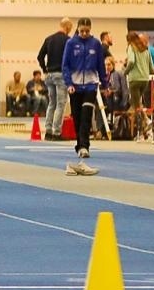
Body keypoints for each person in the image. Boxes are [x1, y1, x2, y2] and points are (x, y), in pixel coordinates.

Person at [61, 17, 105, 175]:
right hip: (75, 85)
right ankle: (79, 145)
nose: (85, 34)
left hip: (91, 85)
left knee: (87, 116)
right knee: (77, 118)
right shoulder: (71, 43)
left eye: (87, 31)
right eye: (82, 31)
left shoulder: (96, 44)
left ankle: (84, 146)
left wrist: (104, 84)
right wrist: (69, 84)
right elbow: (65, 65)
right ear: (78, 30)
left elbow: (101, 65)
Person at [37, 17, 74, 135]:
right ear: (67, 27)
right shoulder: (68, 41)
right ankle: (56, 132)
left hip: (49, 75)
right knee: (61, 103)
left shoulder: (49, 39)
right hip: (61, 74)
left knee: (51, 103)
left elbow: (40, 56)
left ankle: (48, 130)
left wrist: (44, 70)